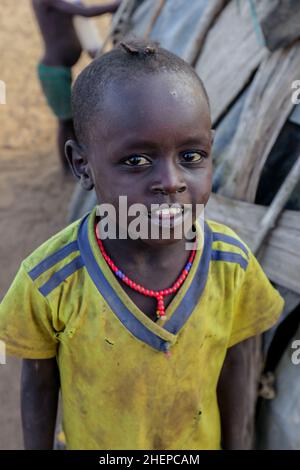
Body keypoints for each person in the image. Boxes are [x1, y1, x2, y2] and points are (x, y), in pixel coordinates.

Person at [0, 39, 284, 450]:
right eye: (136, 160)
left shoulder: (231, 264)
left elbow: (238, 364)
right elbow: (38, 385)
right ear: (83, 164)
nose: (171, 181)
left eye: (191, 155)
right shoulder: (51, 280)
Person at [32, 0, 121, 172]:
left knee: (69, 120)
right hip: (53, 73)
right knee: (66, 122)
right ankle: (67, 168)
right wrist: (115, 5)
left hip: (59, 70)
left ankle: (73, 164)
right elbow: (85, 13)